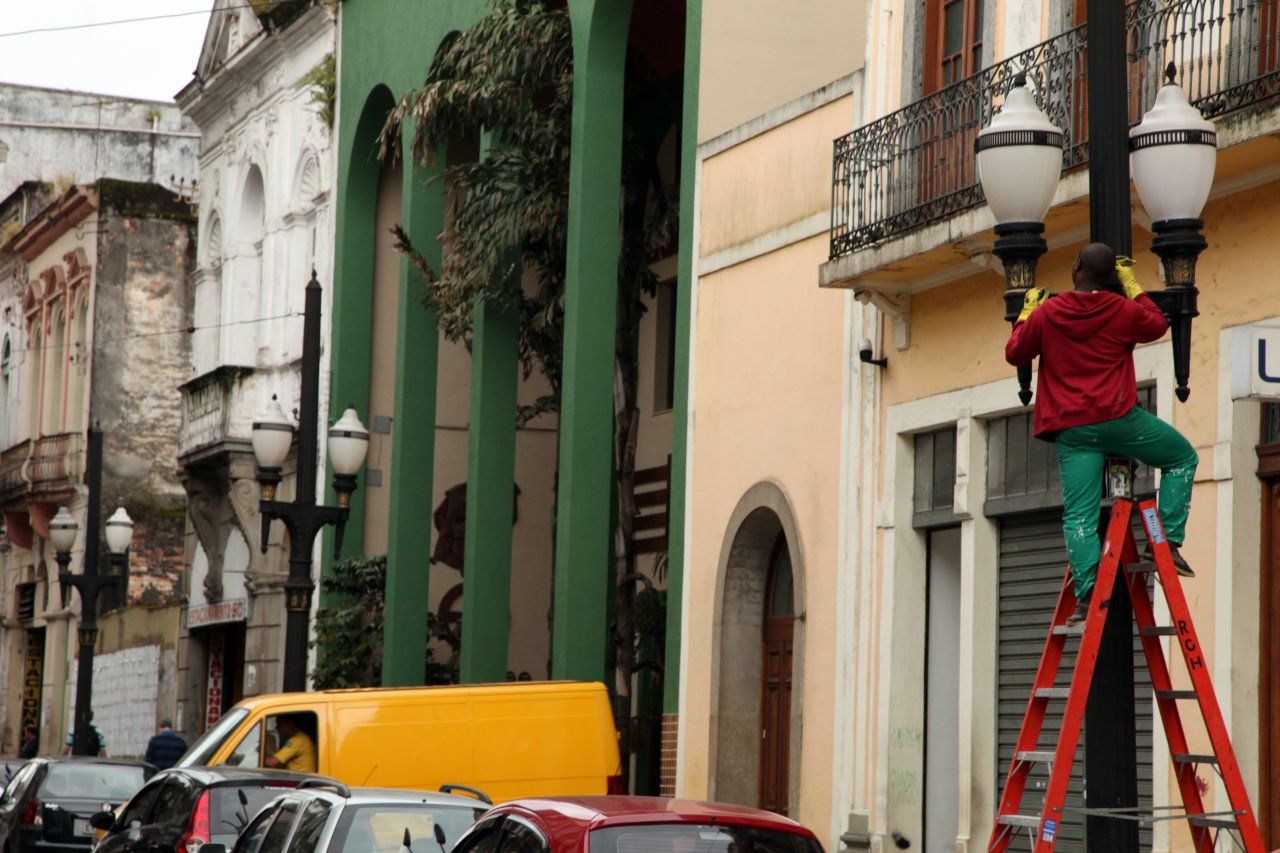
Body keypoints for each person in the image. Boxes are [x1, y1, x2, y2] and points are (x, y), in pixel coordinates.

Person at [1006, 242, 1199, 625]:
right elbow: (1158, 322)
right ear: (1111, 275)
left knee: (1079, 515)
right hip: (1120, 420)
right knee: (1182, 459)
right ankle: (1165, 544)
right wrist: (1132, 284)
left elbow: (1015, 352)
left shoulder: (1048, 314)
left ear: (1076, 266)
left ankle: (1088, 593)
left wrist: (1026, 313)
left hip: (1074, 430)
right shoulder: (1121, 310)